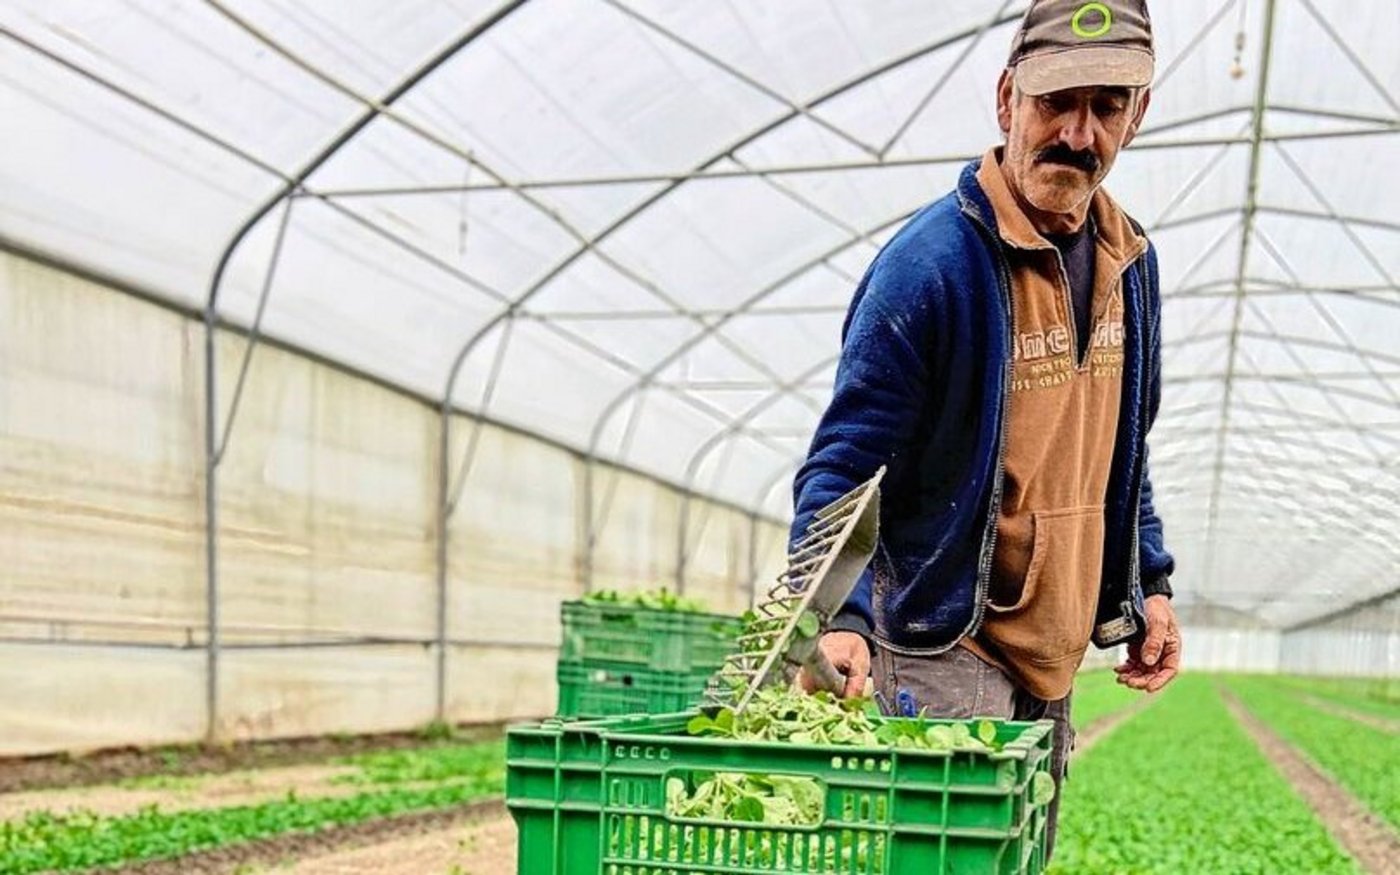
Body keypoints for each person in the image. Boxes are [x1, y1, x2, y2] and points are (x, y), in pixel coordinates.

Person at [790, 0, 1181, 856]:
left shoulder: (1131, 263)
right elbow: (842, 466)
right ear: (1008, 98)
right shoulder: (930, 267)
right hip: (945, 646)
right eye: (1056, 102)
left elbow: (1121, 450)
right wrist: (839, 614)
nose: (1078, 135)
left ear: (1137, 116)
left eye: (1106, 108)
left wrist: (1149, 580)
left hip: (1054, 651)